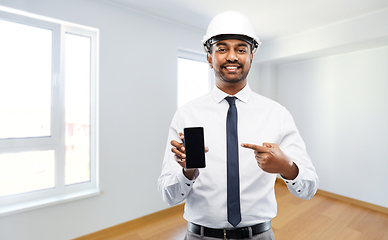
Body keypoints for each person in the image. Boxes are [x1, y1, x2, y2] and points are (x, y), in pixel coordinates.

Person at [158, 11, 319, 240]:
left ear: (251, 57)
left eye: (241, 49)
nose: (232, 56)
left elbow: (309, 188)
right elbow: (169, 195)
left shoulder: (277, 114)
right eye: (222, 49)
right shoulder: (186, 115)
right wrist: (188, 171)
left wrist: (286, 167)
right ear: (209, 57)